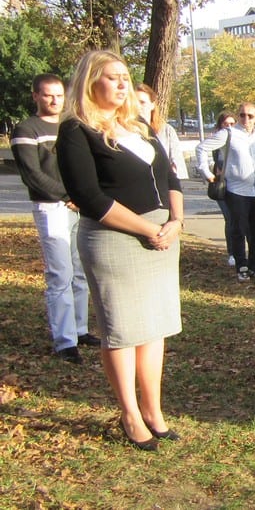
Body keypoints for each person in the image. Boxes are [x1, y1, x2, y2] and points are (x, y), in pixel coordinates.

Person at [56, 50, 184, 451]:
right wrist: (149, 228)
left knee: (155, 326)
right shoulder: (77, 130)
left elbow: (171, 175)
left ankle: (154, 409)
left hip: (161, 235)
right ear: (91, 81)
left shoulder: (138, 125)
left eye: (125, 77)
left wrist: (175, 222)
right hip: (115, 239)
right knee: (124, 329)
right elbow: (88, 196)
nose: (122, 84)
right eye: (112, 77)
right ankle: (130, 414)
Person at [11, 73, 94, 363]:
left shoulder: (72, 125)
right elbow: (33, 175)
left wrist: (82, 197)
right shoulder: (27, 129)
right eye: (48, 95)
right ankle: (65, 341)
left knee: (80, 271)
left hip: (78, 207)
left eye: (59, 95)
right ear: (35, 96)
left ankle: (80, 329)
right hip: (52, 207)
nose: (54, 100)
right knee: (60, 275)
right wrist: (67, 196)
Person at [196, 102, 255, 282]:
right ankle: (242, 266)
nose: (245, 119)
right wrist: (207, 173)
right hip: (236, 191)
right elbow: (202, 148)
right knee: (238, 229)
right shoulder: (229, 134)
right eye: (242, 115)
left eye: (250, 116)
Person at [135, 84, 189, 180]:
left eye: (142, 102)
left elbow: (177, 165)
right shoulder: (122, 132)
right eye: (133, 103)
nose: (138, 107)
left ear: (152, 105)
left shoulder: (166, 131)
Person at [211, 113, 238, 266]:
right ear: (220, 126)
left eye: (232, 124)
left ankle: (243, 252)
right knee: (230, 219)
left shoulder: (240, 141)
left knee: (240, 220)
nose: (229, 127)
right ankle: (232, 253)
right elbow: (217, 161)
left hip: (238, 187)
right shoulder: (218, 141)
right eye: (226, 124)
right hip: (223, 186)